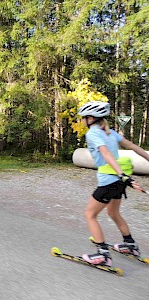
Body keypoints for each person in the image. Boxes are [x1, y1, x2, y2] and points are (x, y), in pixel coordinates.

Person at [78, 101, 149, 267]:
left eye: (83, 118)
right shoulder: (109, 132)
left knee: (90, 214)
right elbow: (132, 146)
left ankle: (102, 254)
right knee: (113, 212)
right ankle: (130, 245)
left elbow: (105, 153)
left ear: (90, 118)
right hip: (118, 181)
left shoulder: (93, 133)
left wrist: (122, 175)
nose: (82, 121)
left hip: (110, 179)